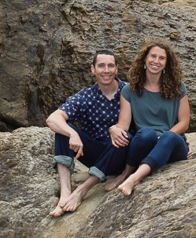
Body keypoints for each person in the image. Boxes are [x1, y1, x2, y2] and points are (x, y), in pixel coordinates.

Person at [45, 50, 133, 216]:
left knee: (124, 136)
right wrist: (72, 133)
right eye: (101, 66)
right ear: (93, 69)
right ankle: (65, 193)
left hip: (122, 153)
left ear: (116, 69)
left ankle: (81, 190)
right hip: (96, 154)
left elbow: (153, 114)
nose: (106, 70)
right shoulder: (86, 96)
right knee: (63, 130)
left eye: (110, 66)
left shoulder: (129, 91)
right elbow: (52, 119)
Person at [117, 40, 192, 197]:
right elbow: (123, 125)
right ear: (145, 58)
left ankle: (133, 178)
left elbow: (184, 123)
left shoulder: (178, 87)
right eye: (153, 56)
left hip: (172, 145)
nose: (156, 61)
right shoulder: (129, 90)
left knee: (169, 136)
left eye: (161, 58)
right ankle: (125, 173)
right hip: (147, 143)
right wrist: (114, 129)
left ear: (166, 63)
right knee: (146, 134)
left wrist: (163, 137)